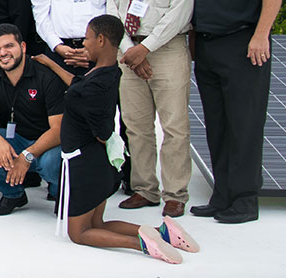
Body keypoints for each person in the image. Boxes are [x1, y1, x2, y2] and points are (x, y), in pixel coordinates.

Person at [59, 14, 199, 265]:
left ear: (101, 40)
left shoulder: (94, 87)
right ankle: (162, 233)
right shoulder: (108, 73)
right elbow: (79, 87)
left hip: (85, 165)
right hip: (99, 164)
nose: (84, 45)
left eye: (88, 39)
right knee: (97, 222)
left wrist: (101, 137)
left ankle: (142, 244)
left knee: (79, 233)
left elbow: (101, 130)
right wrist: (50, 64)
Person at [189, 0, 285, 223]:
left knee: (244, 124)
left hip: (245, 44)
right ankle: (222, 194)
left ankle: (244, 200)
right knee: (216, 124)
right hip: (208, 48)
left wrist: (262, 34)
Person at [106, 0, 194, 218]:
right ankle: (145, 189)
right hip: (128, 50)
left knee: (174, 126)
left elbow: (180, 11)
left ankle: (175, 193)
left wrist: (147, 48)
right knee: (136, 125)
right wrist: (131, 50)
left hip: (167, 49)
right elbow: (113, 8)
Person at [0, 24, 65, 216]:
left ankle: (58, 190)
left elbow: (59, 129)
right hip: (14, 140)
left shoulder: (45, 76)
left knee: (53, 163)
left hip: (46, 144)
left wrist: (27, 155)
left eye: (9, 46)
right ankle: (13, 194)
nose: (3, 53)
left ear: (23, 47)